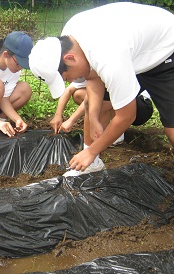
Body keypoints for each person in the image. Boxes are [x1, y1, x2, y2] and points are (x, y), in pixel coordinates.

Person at [29, 2, 174, 175]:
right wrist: (93, 116)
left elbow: (127, 115)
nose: (70, 82)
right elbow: (93, 75)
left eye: (67, 77)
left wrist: (91, 151)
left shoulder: (109, 58)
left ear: (69, 58)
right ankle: (92, 165)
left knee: (171, 130)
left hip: (163, 50)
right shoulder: (69, 37)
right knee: (98, 108)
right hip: (130, 51)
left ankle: (90, 156)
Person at [50, 80, 153, 146]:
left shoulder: (100, 69)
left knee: (103, 97)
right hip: (124, 102)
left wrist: (70, 121)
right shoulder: (85, 71)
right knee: (78, 94)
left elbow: (93, 99)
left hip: (141, 107)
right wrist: (58, 115)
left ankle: (118, 134)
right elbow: (68, 90)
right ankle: (109, 125)